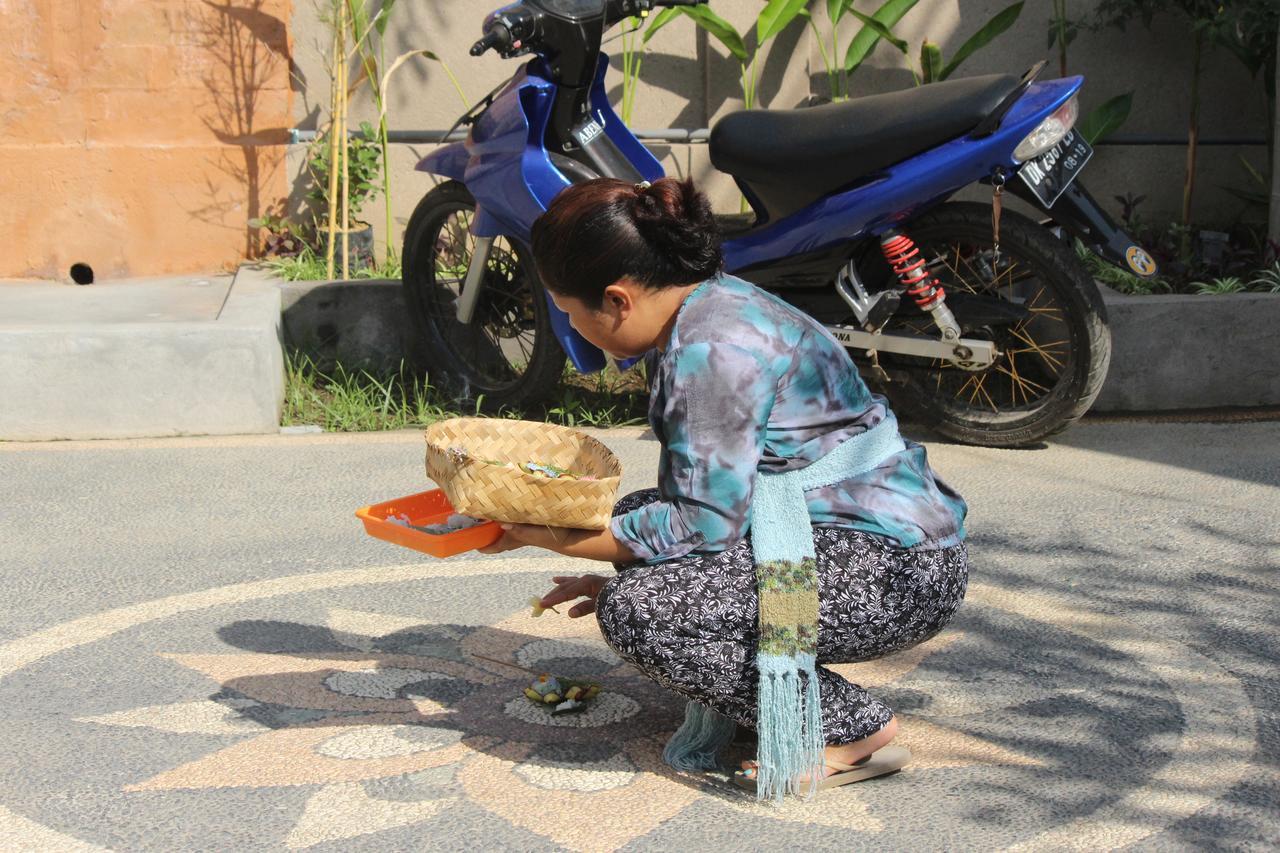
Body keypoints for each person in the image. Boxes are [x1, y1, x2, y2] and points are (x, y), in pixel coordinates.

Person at [479, 177, 968, 801]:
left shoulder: (708, 351)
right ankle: (763, 689)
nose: (572, 325)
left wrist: (543, 537)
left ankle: (850, 729)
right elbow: (695, 506)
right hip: (870, 538)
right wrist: (609, 555)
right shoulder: (709, 303)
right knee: (632, 525)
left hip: (898, 573)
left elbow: (701, 526)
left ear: (617, 299)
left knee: (642, 614)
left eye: (570, 311)